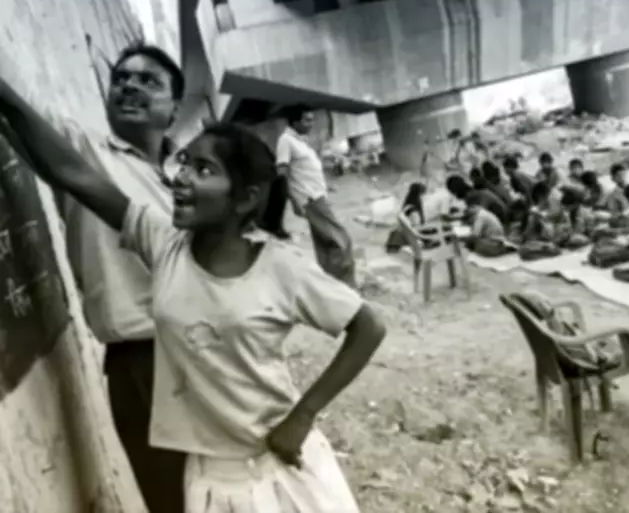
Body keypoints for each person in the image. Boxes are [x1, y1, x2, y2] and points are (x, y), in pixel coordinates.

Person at [0, 99, 386, 511]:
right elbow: (72, 174)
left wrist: (303, 415)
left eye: (204, 170)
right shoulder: (163, 244)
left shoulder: (279, 268)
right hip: (211, 478)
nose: (182, 177)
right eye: (184, 163)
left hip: (276, 465)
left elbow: (368, 327)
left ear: (244, 198)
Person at [0, 42, 186, 512]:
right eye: (121, 78)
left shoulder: (193, 172)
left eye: (148, 81)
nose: (129, 86)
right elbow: (31, 130)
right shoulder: (82, 148)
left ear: (174, 106)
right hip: (141, 364)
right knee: (173, 500)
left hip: (211, 351)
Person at [276, 106, 356, 286]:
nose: (311, 124)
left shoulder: (299, 141)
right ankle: (348, 287)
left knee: (325, 245)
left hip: (318, 196)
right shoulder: (286, 141)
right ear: (295, 122)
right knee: (341, 241)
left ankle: (330, 286)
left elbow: (305, 169)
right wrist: (294, 200)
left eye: (312, 120)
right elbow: (282, 173)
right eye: (306, 120)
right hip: (311, 199)